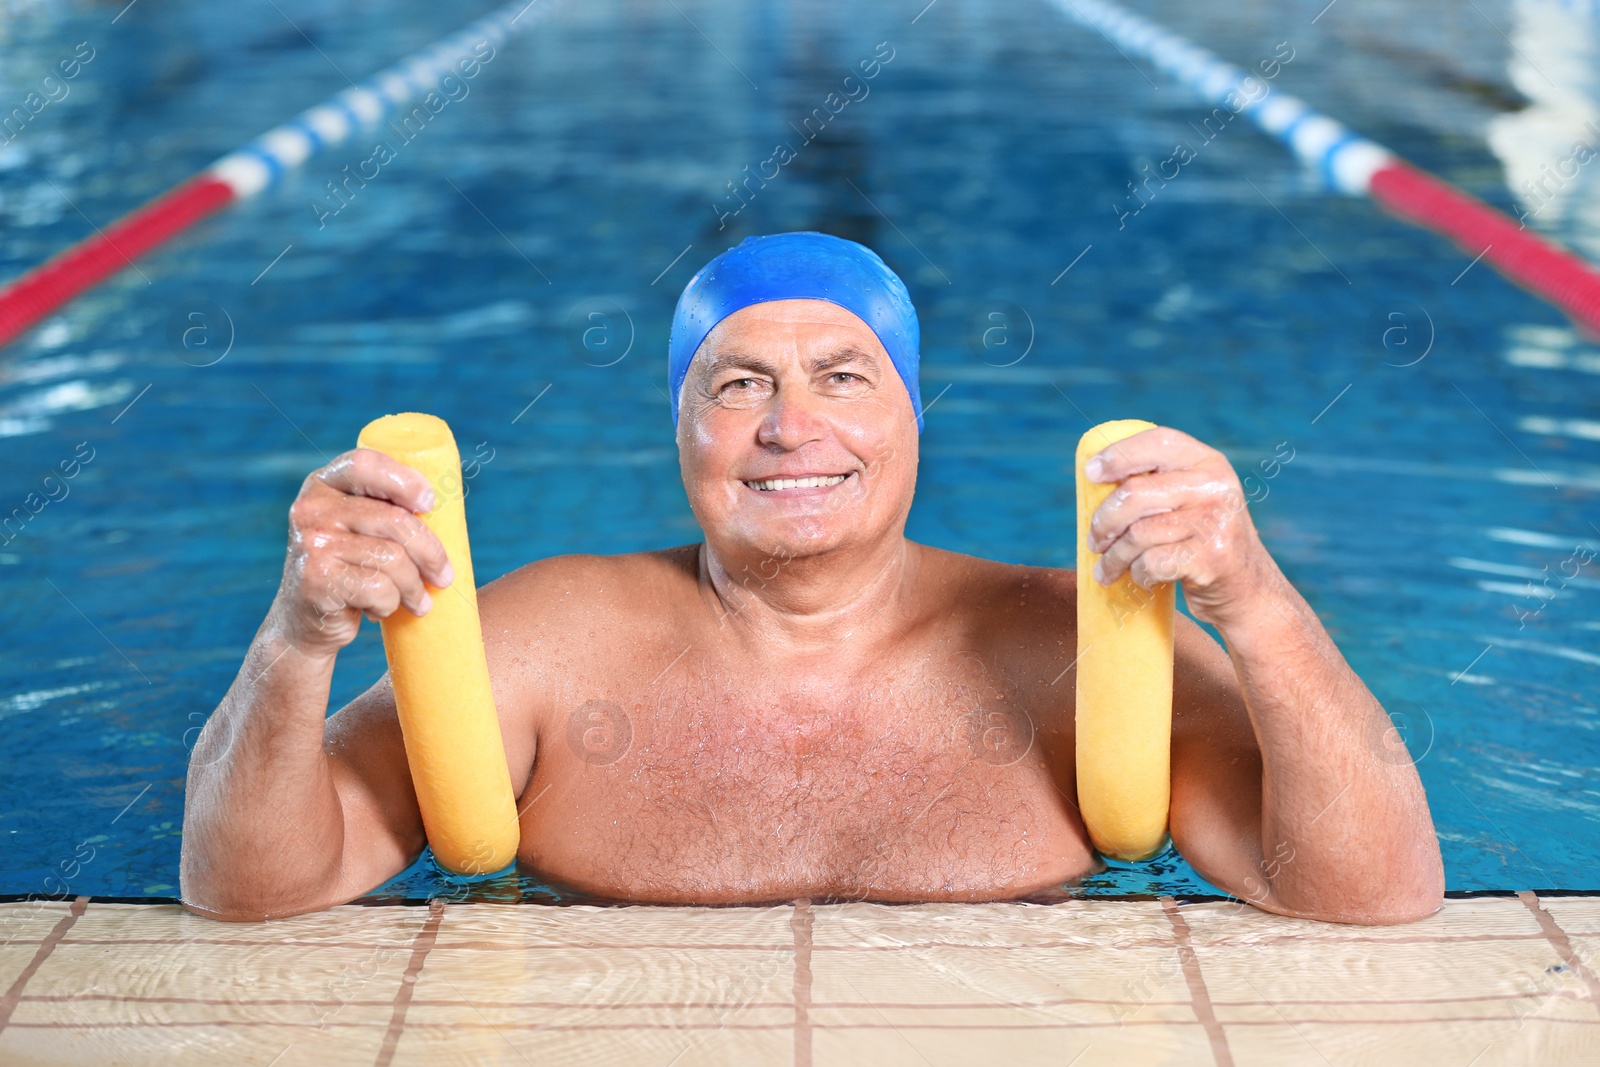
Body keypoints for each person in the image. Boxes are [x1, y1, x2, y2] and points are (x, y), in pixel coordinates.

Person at [180, 232, 1443, 923]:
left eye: (844, 376)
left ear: (911, 418)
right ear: (679, 434)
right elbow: (249, 887)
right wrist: (296, 639)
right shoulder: (548, 638)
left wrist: (1255, 602)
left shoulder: (1077, 645)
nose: (792, 427)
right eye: (738, 385)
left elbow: (1372, 892)